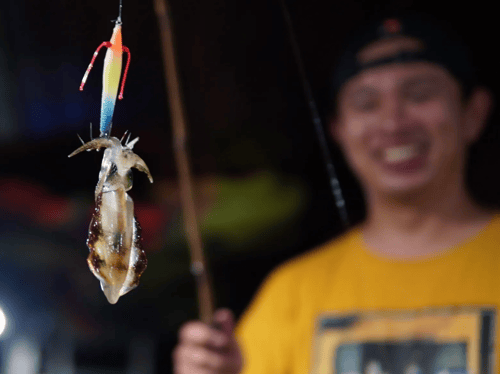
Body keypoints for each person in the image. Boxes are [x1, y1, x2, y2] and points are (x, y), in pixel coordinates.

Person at [173, 13, 498, 374]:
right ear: (338, 130)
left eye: (419, 94)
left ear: (474, 112)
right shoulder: (291, 292)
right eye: (366, 103)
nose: (393, 122)